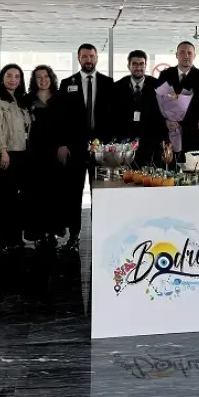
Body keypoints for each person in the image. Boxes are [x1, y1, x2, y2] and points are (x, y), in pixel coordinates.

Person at [56, 43, 114, 250]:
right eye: (84, 57)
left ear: (97, 57)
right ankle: (74, 236)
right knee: (73, 194)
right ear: (78, 58)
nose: (88, 60)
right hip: (75, 148)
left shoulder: (108, 83)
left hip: (101, 150)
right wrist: (62, 143)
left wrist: (111, 145)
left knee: (101, 193)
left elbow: (114, 116)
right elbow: (61, 117)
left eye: (91, 56)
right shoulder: (67, 83)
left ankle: (102, 234)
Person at [0, 64, 30, 252]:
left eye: (17, 76)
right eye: (9, 76)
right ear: (2, 78)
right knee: (6, 198)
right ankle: (4, 240)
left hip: (21, 153)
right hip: (5, 154)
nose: (13, 79)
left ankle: (16, 239)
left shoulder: (20, 100)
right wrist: (2, 151)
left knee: (17, 199)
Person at [22, 65, 62, 247]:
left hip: (55, 151)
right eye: (39, 77)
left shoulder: (60, 97)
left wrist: (64, 145)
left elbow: (67, 122)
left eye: (46, 76)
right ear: (34, 80)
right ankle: (37, 232)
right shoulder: (27, 99)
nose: (43, 80)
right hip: (34, 151)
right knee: (35, 192)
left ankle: (53, 231)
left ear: (51, 78)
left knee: (54, 192)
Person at [111, 50, 167, 166]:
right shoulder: (117, 87)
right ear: (129, 66)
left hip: (152, 143)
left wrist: (165, 141)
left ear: (146, 65)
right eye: (134, 64)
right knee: (126, 177)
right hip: (125, 146)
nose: (138, 67)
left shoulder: (158, 86)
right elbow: (113, 116)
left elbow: (164, 114)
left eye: (141, 64)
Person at [156, 41, 199, 156]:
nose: (186, 56)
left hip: (193, 129)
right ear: (176, 55)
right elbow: (158, 101)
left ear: (194, 56)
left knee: (192, 164)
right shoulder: (165, 74)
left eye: (189, 53)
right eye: (182, 52)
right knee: (170, 164)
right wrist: (165, 121)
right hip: (170, 129)